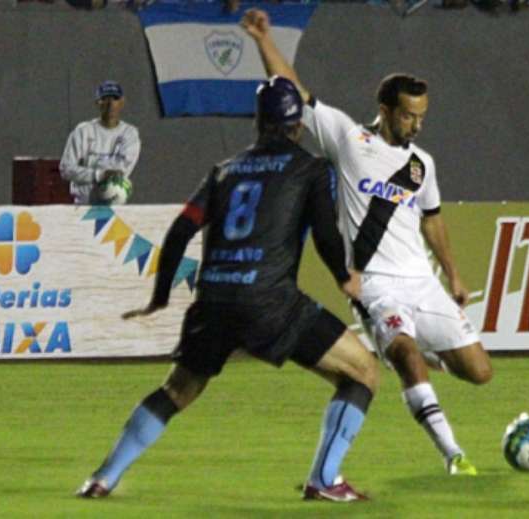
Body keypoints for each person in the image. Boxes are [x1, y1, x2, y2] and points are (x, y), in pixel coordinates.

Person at [76, 76, 378, 503]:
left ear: (258, 122)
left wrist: (161, 297)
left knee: (176, 392)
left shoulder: (225, 170)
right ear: (299, 125)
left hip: (213, 302)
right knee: (363, 372)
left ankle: (102, 477)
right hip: (271, 304)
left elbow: (181, 231)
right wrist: (344, 278)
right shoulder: (310, 169)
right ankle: (324, 480)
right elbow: (327, 234)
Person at [242, 9, 493, 477]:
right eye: (408, 116)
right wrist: (263, 39)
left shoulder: (422, 165)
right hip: (376, 284)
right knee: (403, 354)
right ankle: (453, 453)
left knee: (480, 371)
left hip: (422, 282)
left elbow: (432, 221)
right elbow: (293, 89)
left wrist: (453, 274)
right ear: (385, 110)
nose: (416, 125)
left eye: (421, 116)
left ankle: (420, 351)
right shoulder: (348, 139)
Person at [59, 80, 141, 205]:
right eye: (105, 99)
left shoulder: (129, 134)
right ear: (97, 103)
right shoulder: (83, 131)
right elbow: (66, 169)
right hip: (82, 204)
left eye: (115, 99)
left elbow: (121, 171)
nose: (110, 104)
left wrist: (87, 167)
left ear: (122, 102)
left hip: (114, 204)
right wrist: (99, 174)